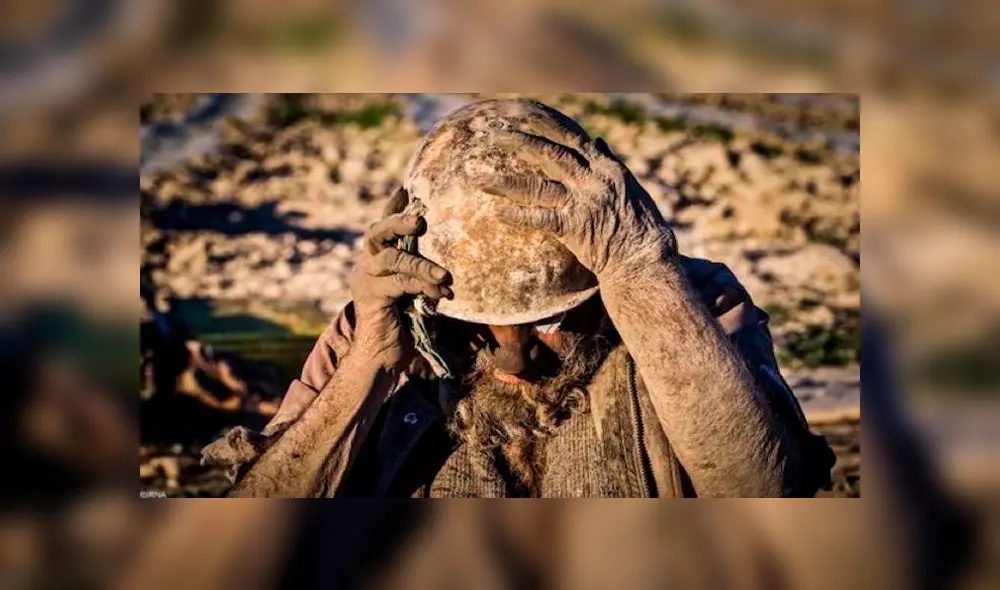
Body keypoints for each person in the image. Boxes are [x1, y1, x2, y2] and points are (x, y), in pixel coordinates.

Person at [203, 98, 834, 497]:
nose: (512, 359)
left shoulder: (687, 299)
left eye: (545, 322)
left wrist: (641, 272)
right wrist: (367, 365)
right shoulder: (373, 328)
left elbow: (765, 491)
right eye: (477, 325)